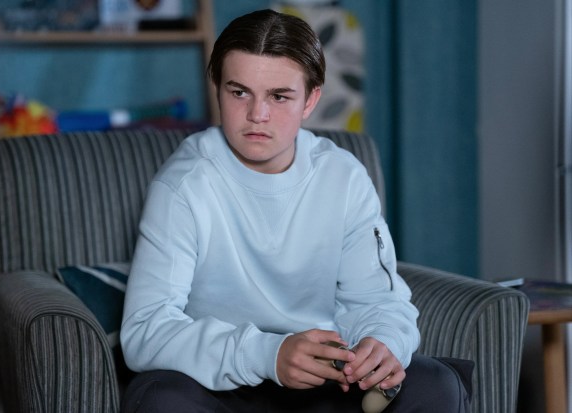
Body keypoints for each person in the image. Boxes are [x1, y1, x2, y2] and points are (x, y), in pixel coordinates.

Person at [120, 9, 472, 413]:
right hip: (223, 383)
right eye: (239, 93)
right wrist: (267, 354)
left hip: (323, 381)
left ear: (311, 100)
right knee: (161, 399)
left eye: (279, 96)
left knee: (436, 384)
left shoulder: (343, 177)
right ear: (216, 88)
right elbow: (145, 332)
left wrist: (383, 342)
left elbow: (378, 302)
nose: (258, 115)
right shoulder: (183, 185)